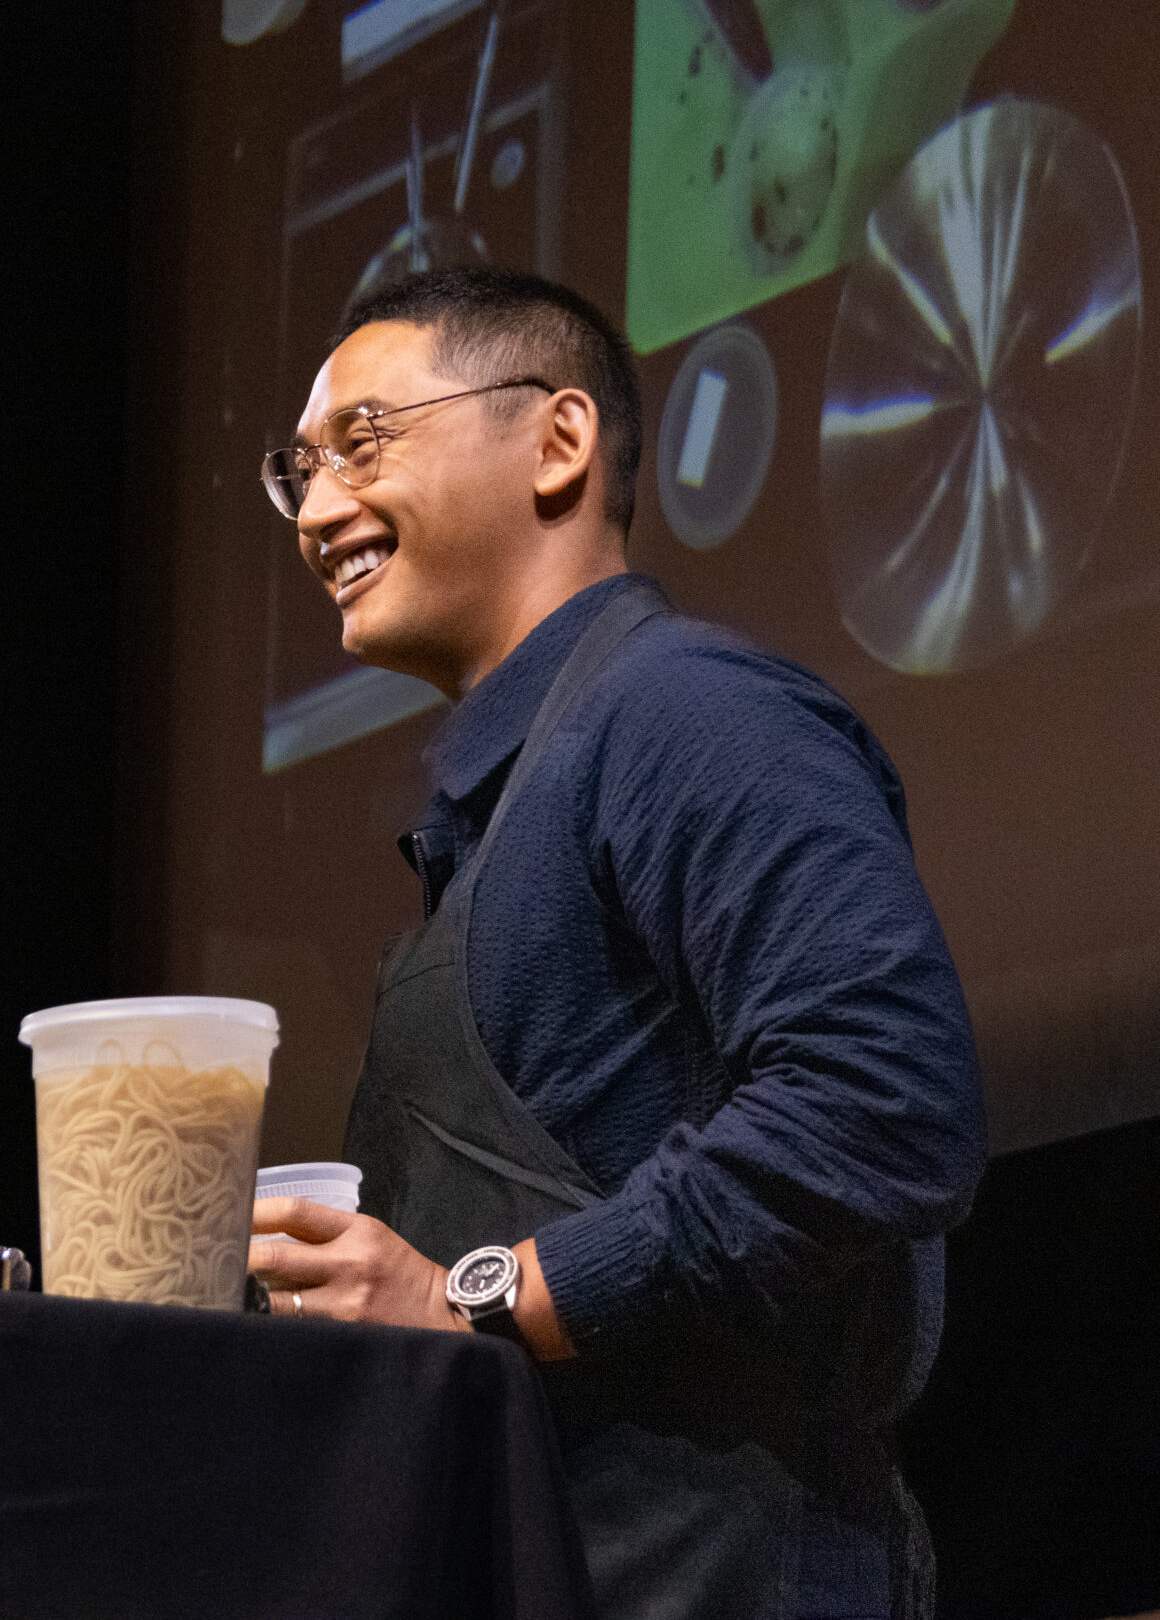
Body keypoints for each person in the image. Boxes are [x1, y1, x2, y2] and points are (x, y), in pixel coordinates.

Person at [247, 267, 984, 1616]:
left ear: (560, 440)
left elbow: (885, 1098)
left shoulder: (679, 709)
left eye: (361, 442)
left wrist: (475, 1296)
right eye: (296, 472)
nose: (320, 508)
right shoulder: (509, 795)